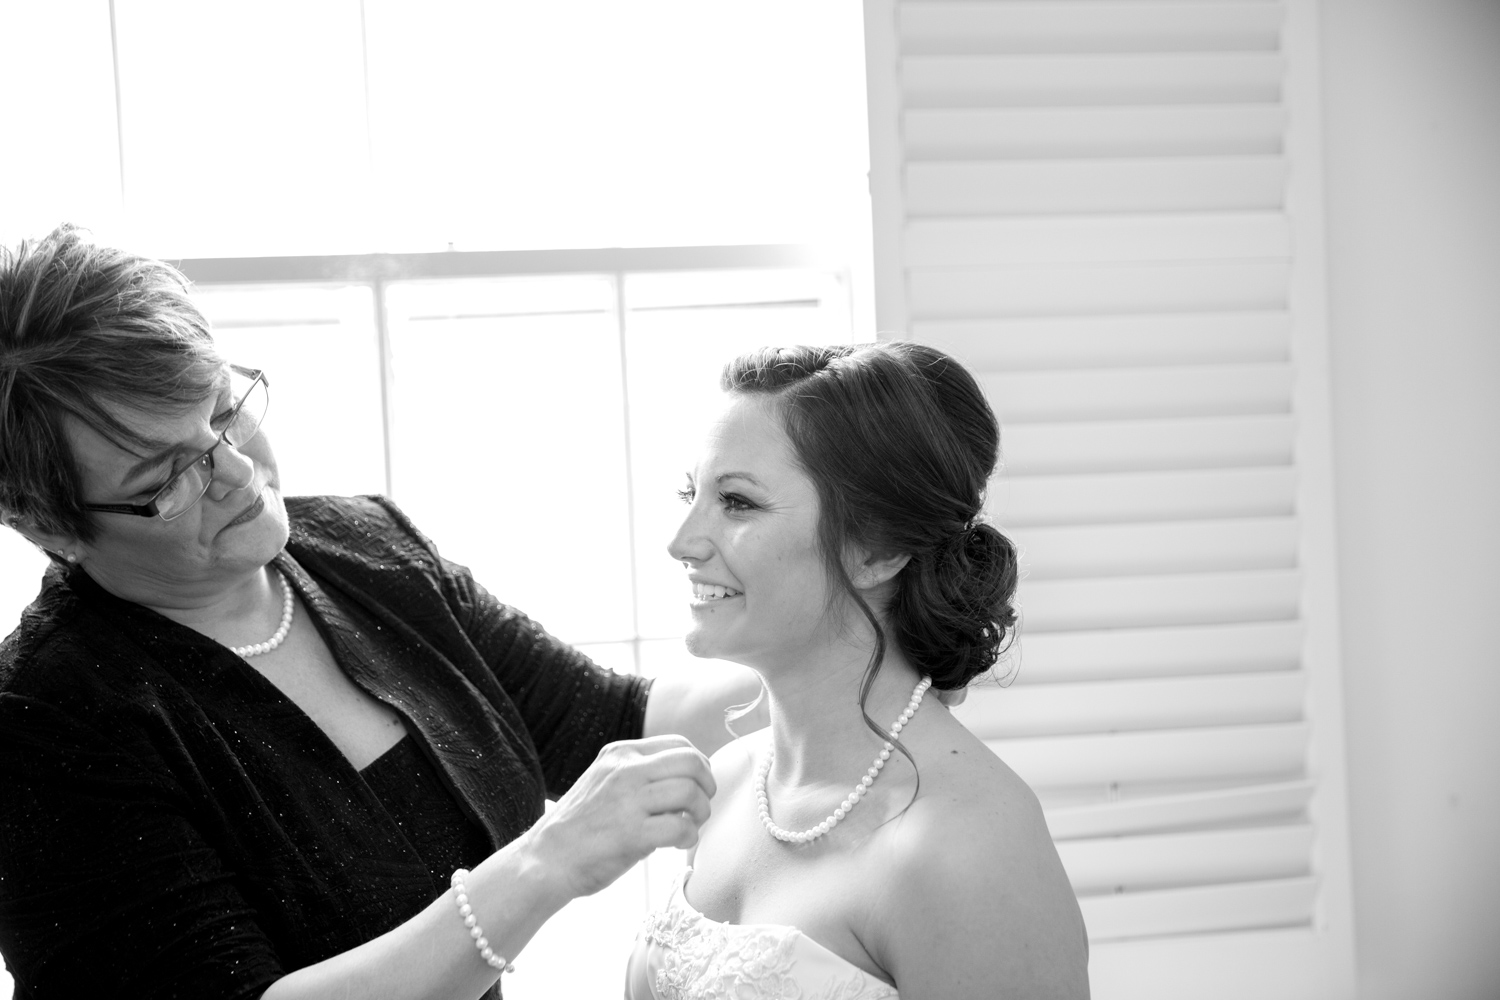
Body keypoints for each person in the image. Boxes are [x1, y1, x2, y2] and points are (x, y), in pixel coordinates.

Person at [0, 224, 757, 1000]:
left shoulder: (366, 548)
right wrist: (544, 864)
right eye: (167, 478)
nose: (236, 471)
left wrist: (828, 638)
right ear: (51, 526)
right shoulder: (44, 723)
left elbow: (617, 719)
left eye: (225, 411)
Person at [626, 343, 1090, 998]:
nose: (681, 542)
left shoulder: (968, 845)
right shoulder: (723, 784)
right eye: (690, 493)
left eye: (737, 502)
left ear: (875, 549)